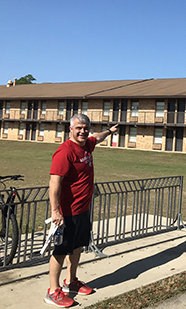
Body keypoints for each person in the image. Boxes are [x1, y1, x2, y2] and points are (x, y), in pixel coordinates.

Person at [44, 114, 118, 307]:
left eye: (85, 128)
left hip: (82, 210)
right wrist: (55, 211)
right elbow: (54, 183)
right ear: (70, 129)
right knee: (61, 251)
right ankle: (53, 290)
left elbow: (98, 137)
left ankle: (71, 282)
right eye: (78, 128)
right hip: (66, 212)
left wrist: (110, 131)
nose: (83, 131)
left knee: (77, 247)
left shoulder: (87, 144)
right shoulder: (65, 152)